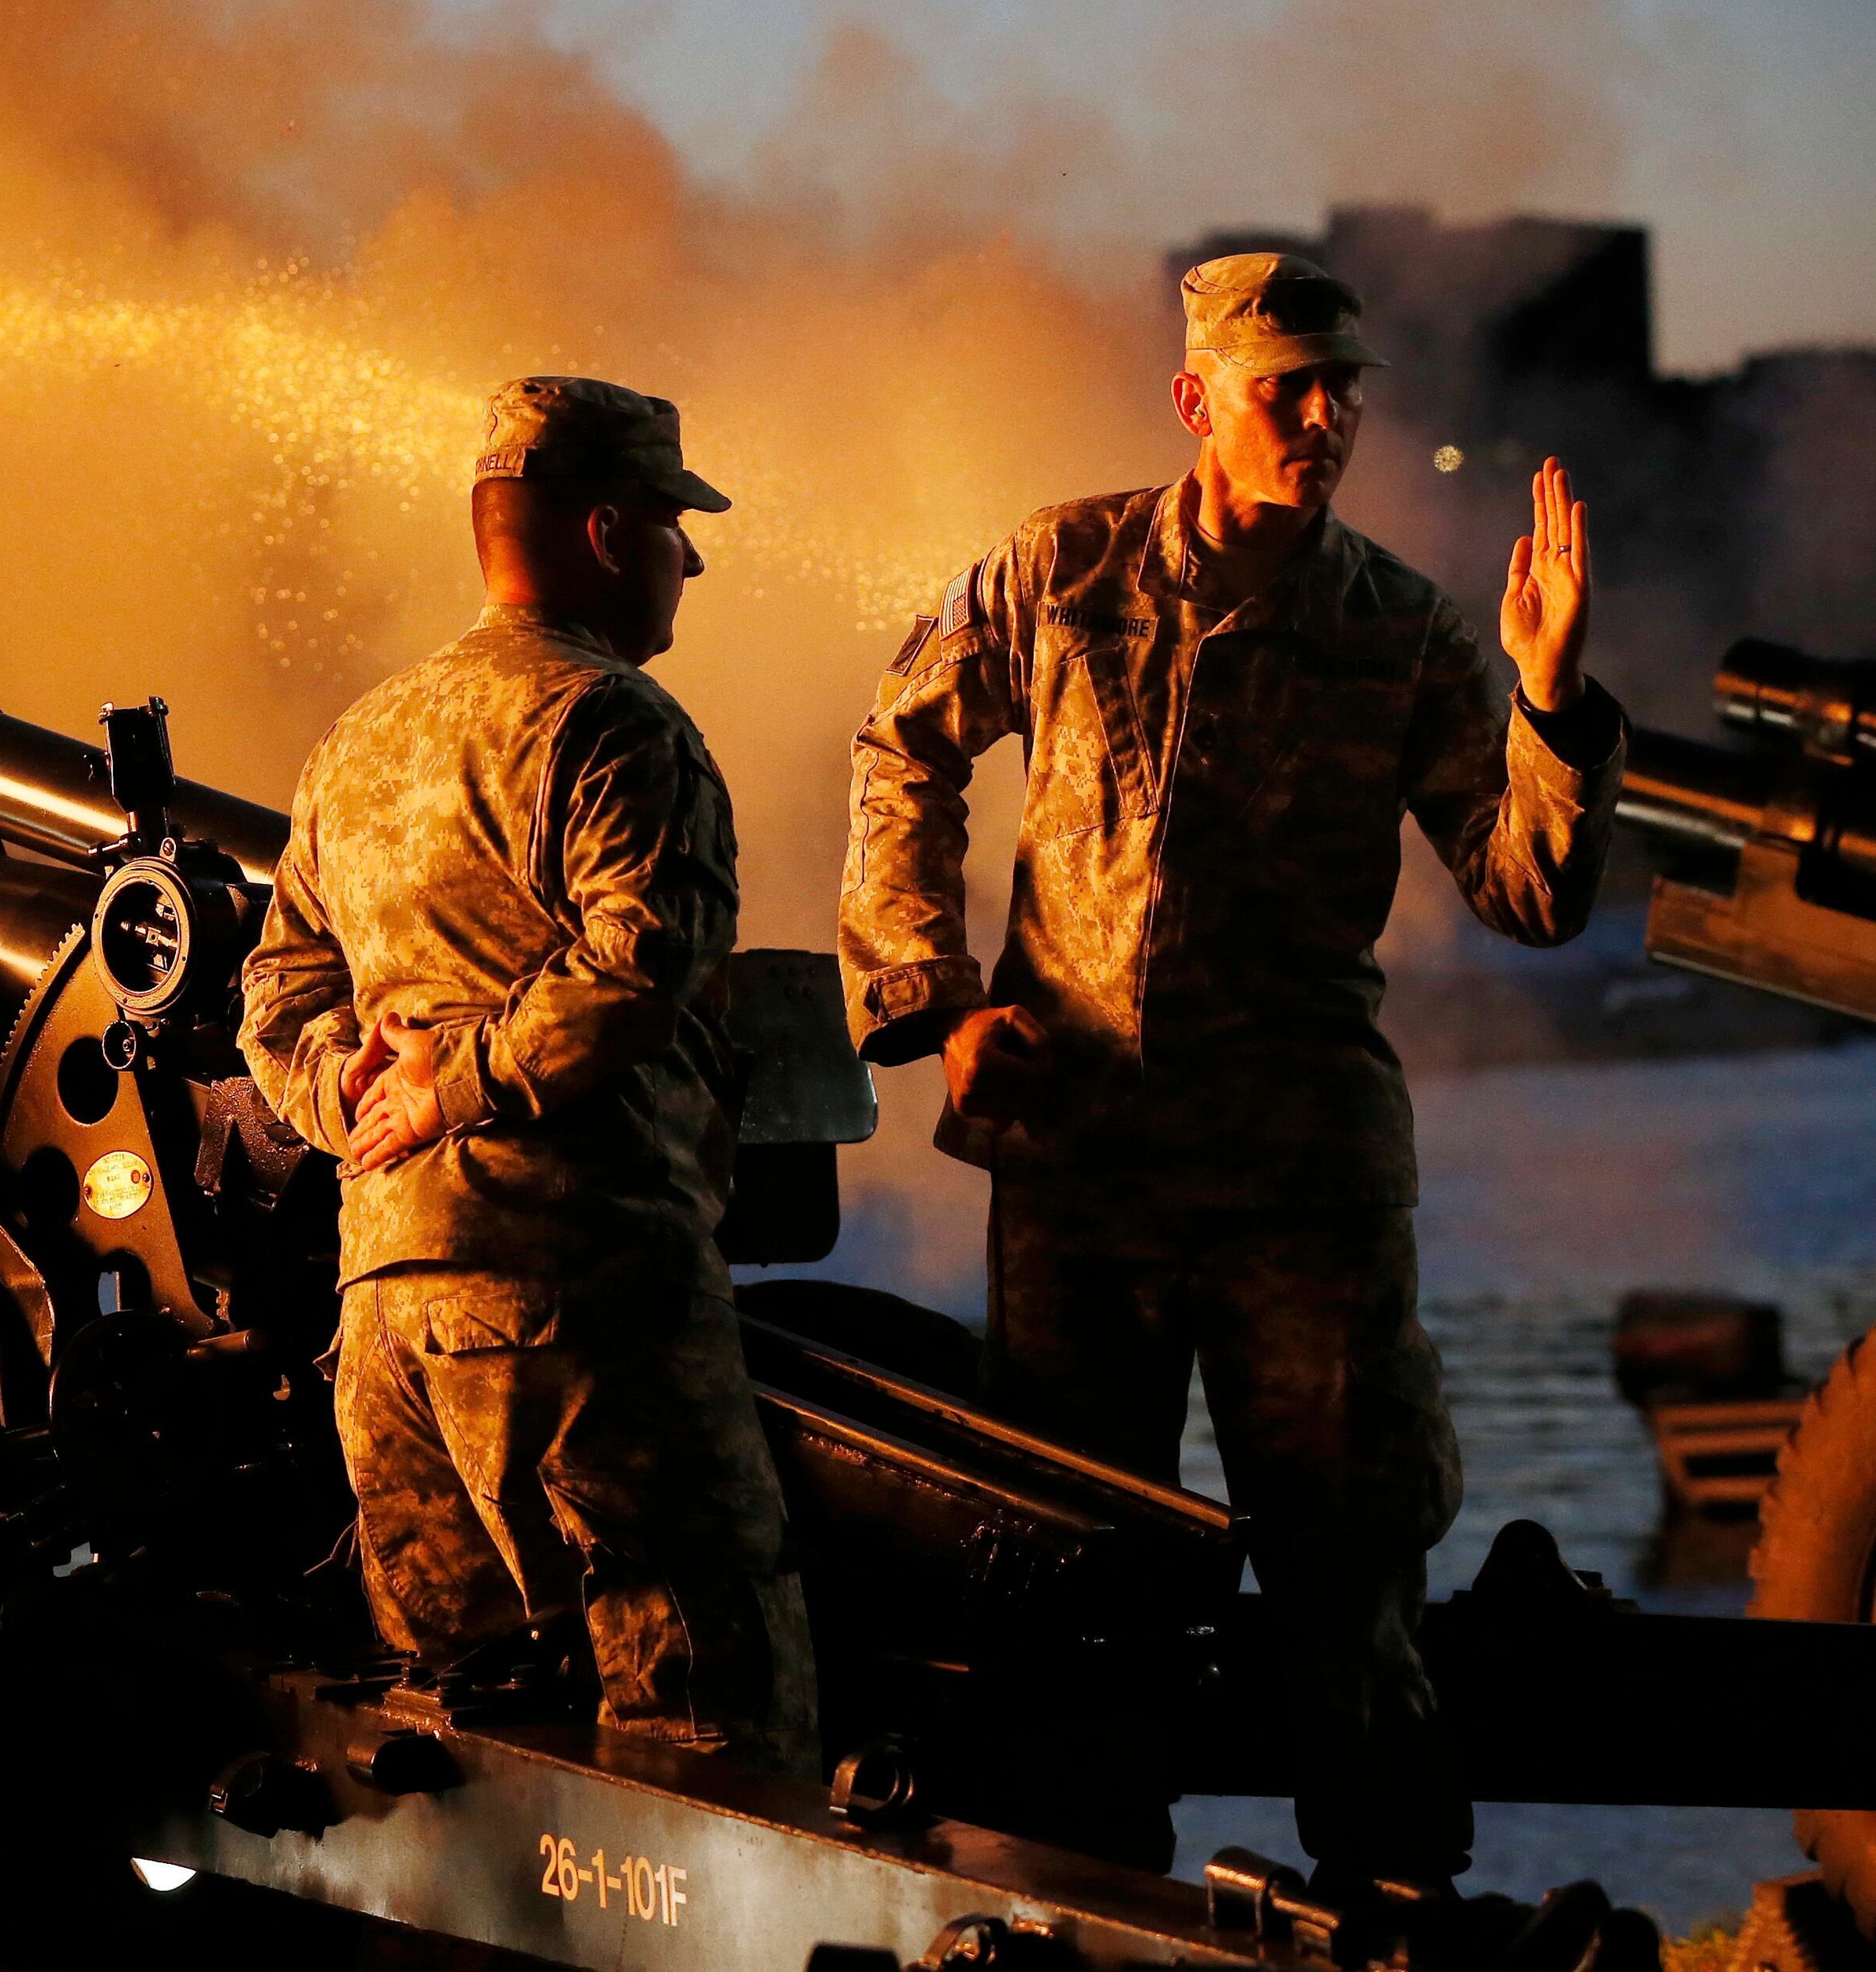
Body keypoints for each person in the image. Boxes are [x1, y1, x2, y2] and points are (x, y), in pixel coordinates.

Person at [840, 255, 1624, 1885]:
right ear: (1199, 400)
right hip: (1083, 1171)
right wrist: (938, 998)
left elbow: (1529, 891)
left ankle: (1394, 1910)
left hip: (1302, 1190)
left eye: (1347, 388)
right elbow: (903, 743)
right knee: (1073, 1568)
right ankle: (1080, 1911)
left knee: (1351, 1561)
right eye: (1290, 389)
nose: (1328, 418)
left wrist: (1549, 699)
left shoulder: (1398, 628)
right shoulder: (1062, 569)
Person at [239, 375, 817, 1773]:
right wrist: (455, 1086)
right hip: (578, 1293)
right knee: (709, 1718)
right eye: (675, 524)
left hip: (386, 1319)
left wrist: (351, 1097)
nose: (692, 560)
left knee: (468, 1745)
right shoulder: (614, 722)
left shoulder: (363, 740)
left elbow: (276, 993)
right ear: (609, 534)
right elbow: (640, 962)